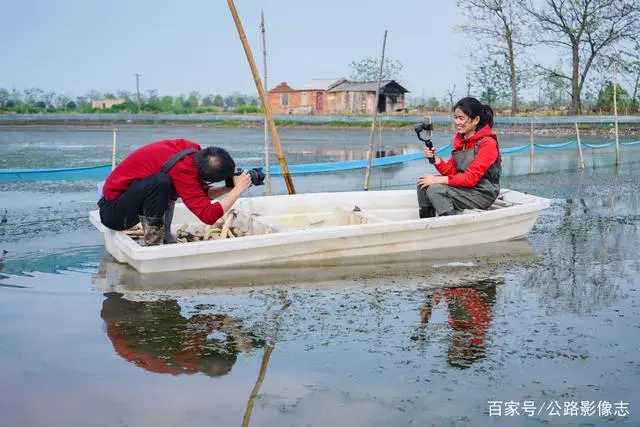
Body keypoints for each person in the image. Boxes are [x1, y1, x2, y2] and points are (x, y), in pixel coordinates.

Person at [98, 138, 252, 246]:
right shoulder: (182, 170)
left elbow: (198, 193)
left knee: (163, 183)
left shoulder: (191, 153)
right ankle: (154, 242)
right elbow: (208, 215)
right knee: (160, 182)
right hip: (114, 214)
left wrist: (228, 188)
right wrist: (238, 189)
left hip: (125, 199)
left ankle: (164, 237)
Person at [417, 97, 502, 218]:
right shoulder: (461, 140)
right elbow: (453, 172)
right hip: (465, 188)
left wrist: (437, 180)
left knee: (435, 189)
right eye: (456, 118)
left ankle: (451, 227)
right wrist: (436, 160)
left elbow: (470, 178)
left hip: (483, 193)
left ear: (475, 120)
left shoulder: (487, 143)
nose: (457, 122)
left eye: (461, 118)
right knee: (423, 185)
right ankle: (427, 223)